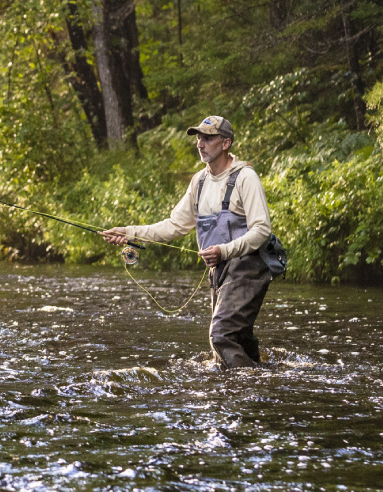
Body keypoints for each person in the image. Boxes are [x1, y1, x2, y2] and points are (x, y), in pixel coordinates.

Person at [100, 116, 274, 369]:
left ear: (226, 143)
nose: (200, 144)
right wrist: (129, 233)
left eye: (208, 138)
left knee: (221, 335)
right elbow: (173, 226)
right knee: (237, 337)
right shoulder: (199, 182)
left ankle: (240, 390)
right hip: (220, 270)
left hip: (248, 267)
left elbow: (262, 230)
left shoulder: (245, 178)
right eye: (198, 138)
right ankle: (262, 377)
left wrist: (224, 250)